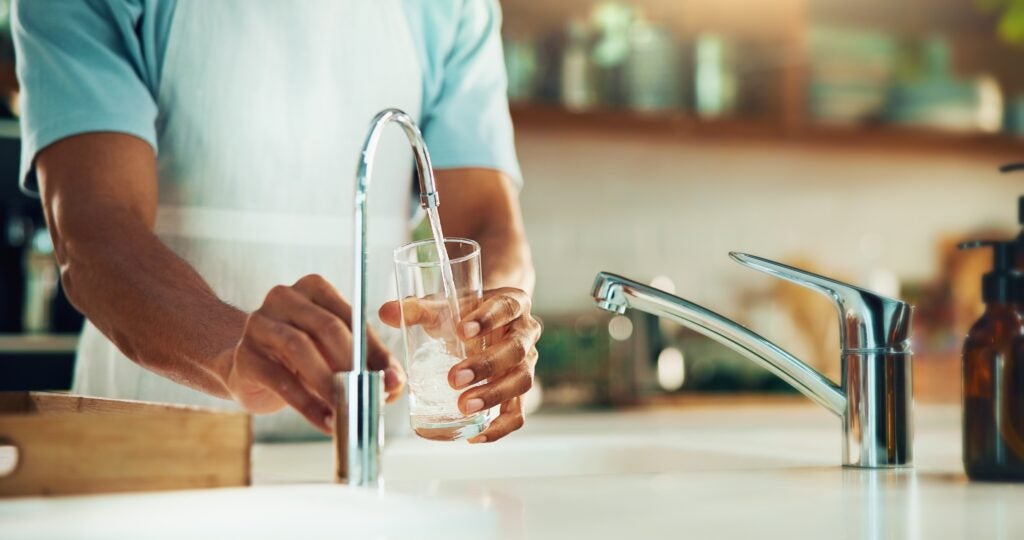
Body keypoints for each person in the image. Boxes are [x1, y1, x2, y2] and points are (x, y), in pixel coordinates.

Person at [12, 0, 540, 443]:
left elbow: (487, 221)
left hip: (376, 438)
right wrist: (229, 350)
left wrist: (491, 318)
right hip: (157, 437)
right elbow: (93, 230)